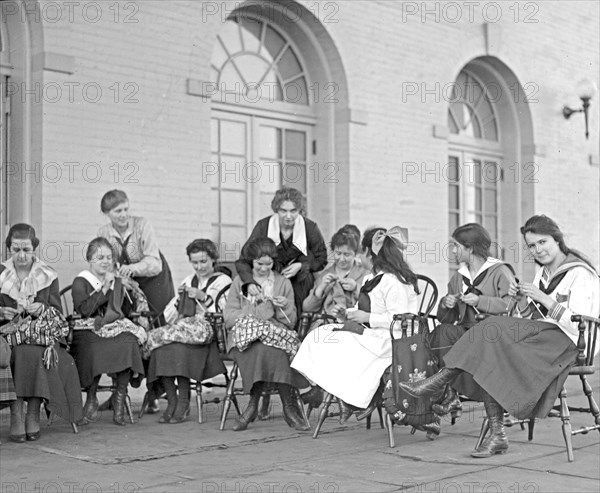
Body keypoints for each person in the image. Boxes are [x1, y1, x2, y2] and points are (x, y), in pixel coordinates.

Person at [399, 215, 600, 458]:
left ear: (557, 239)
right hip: (544, 335)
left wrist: (543, 297)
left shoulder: (580, 273)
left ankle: (440, 382)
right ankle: (497, 435)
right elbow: (529, 317)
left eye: (543, 242)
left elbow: (580, 322)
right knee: (492, 346)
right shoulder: (543, 273)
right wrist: (520, 298)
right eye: (532, 246)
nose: (538, 250)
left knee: (490, 329)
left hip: (569, 343)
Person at [291, 226, 419, 423]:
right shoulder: (371, 278)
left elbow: (399, 320)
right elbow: (363, 309)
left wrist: (366, 317)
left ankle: (351, 398)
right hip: (373, 333)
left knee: (339, 344)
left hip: (392, 339)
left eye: (360, 252)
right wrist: (345, 315)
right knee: (321, 335)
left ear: (368, 252)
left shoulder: (393, 282)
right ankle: (342, 394)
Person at [0, 224, 82, 442]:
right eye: (15, 249)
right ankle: (17, 415)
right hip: (9, 337)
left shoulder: (48, 275)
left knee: (35, 355)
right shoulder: (1, 273)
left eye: (26, 249)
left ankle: (33, 415)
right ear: (9, 248)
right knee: (15, 353)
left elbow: (58, 312)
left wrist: (43, 309)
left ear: (34, 248)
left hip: (42, 337)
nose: (21, 255)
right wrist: (2, 312)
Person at [97, 190, 175, 413]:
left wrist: (133, 269)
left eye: (125, 209)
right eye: (117, 211)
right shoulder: (104, 232)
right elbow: (106, 263)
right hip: (127, 284)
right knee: (124, 330)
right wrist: (122, 279)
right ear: (106, 213)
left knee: (153, 333)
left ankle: (153, 394)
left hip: (154, 282)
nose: (123, 215)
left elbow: (154, 262)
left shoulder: (142, 225)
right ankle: (117, 393)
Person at [429, 223, 516, 418]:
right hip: (468, 331)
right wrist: (446, 303)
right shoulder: (458, 278)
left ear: (470, 248)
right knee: (441, 333)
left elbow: (511, 305)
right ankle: (450, 393)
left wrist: (480, 301)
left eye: (456, 246)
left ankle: (451, 391)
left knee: (462, 340)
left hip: (496, 334)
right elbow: (446, 319)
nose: (452, 250)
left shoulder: (500, 271)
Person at [224, 237, 308, 432]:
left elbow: (290, 322)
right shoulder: (240, 282)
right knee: (265, 349)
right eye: (259, 264)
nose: (263, 268)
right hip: (244, 338)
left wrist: (283, 306)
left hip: (275, 335)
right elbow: (229, 317)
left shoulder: (283, 282)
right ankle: (288, 407)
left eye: (268, 264)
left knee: (272, 349)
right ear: (250, 262)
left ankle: (253, 406)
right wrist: (256, 310)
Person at [146, 239, 230, 424]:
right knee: (163, 350)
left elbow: (227, 314)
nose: (199, 267)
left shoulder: (223, 281)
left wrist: (204, 298)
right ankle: (173, 401)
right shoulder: (188, 280)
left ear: (213, 259)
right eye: (195, 262)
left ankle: (183, 402)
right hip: (184, 332)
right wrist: (178, 301)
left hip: (206, 332)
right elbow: (170, 316)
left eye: (203, 261)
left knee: (158, 339)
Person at [70, 237, 147, 426]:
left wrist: (125, 290)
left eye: (108, 257)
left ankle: (119, 397)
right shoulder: (81, 281)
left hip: (113, 328)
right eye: (100, 257)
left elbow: (124, 313)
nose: (105, 261)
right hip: (88, 328)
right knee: (94, 345)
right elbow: (85, 310)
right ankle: (92, 397)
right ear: (90, 259)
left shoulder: (115, 280)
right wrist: (105, 288)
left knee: (128, 340)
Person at [300, 225, 368, 407]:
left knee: (339, 346)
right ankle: (315, 386)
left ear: (356, 254)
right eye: (338, 253)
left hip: (352, 323)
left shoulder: (363, 274)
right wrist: (321, 288)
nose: (342, 259)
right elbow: (307, 306)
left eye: (347, 254)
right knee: (314, 342)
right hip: (326, 322)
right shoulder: (327, 273)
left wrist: (356, 288)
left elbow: (371, 303)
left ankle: (332, 387)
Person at [235, 187, 327, 319]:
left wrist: (302, 265)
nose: (288, 216)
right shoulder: (264, 226)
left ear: (300, 210)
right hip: (270, 280)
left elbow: (321, 258)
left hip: (301, 283)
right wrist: (249, 282)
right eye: (283, 211)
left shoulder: (310, 228)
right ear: (276, 209)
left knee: (298, 317)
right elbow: (243, 260)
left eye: (293, 211)